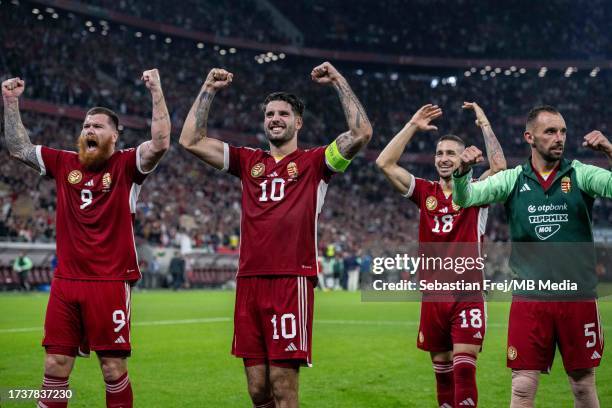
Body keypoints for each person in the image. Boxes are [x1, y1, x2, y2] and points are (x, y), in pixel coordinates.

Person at [179, 62, 372, 407]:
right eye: (269, 114)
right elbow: (190, 140)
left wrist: (339, 81)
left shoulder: (316, 163)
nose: (275, 119)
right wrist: (208, 87)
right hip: (249, 281)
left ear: (298, 122)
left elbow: (360, 134)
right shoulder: (247, 161)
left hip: (290, 280)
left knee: (283, 388)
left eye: (283, 113)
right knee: (257, 391)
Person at [2, 69, 170, 408]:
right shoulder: (64, 163)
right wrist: (10, 102)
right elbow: (18, 148)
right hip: (66, 281)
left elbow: (160, 143)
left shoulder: (127, 166)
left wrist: (156, 91)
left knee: (112, 368)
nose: (89, 130)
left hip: (109, 282)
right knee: (54, 365)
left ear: (114, 135)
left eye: (97, 126)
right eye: (85, 126)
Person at [452, 105, 612, 408]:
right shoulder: (512, 179)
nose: (559, 138)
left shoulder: (580, 174)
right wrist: (462, 173)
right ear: (530, 137)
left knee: (582, 385)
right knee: (523, 387)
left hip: (577, 297)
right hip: (530, 298)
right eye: (550, 131)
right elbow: (465, 198)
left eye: (563, 131)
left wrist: (609, 150)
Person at [376, 102, 507, 407]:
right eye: (439, 154)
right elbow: (384, 163)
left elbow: (499, 167)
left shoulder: (477, 191)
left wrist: (484, 123)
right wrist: (412, 124)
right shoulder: (425, 193)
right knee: (443, 375)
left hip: (467, 295)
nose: (444, 159)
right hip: (434, 296)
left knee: (463, 371)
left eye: (451, 153)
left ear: (462, 157)